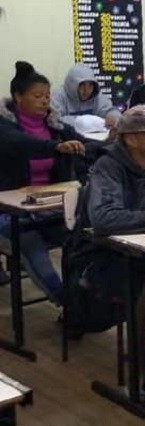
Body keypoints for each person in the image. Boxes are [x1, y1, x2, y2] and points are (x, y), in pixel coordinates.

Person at [84, 103, 145, 358]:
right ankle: (142, 364)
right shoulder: (108, 166)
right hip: (105, 254)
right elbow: (104, 218)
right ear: (132, 139)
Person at [0, 61, 89, 304]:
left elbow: (86, 146)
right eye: (37, 96)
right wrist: (55, 147)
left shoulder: (56, 127)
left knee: (82, 238)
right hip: (8, 212)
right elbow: (20, 144)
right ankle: (65, 301)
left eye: (48, 96)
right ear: (18, 97)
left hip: (48, 208)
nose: (44, 101)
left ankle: (85, 296)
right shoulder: (5, 126)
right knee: (30, 243)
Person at [50, 63, 121, 132]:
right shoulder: (58, 96)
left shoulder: (96, 95)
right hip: (67, 140)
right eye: (82, 85)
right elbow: (55, 120)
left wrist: (114, 118)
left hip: (95, 139)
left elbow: (110, 110)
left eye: (90, 85)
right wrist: (86, 122)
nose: (87, 90)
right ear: (72, 84)